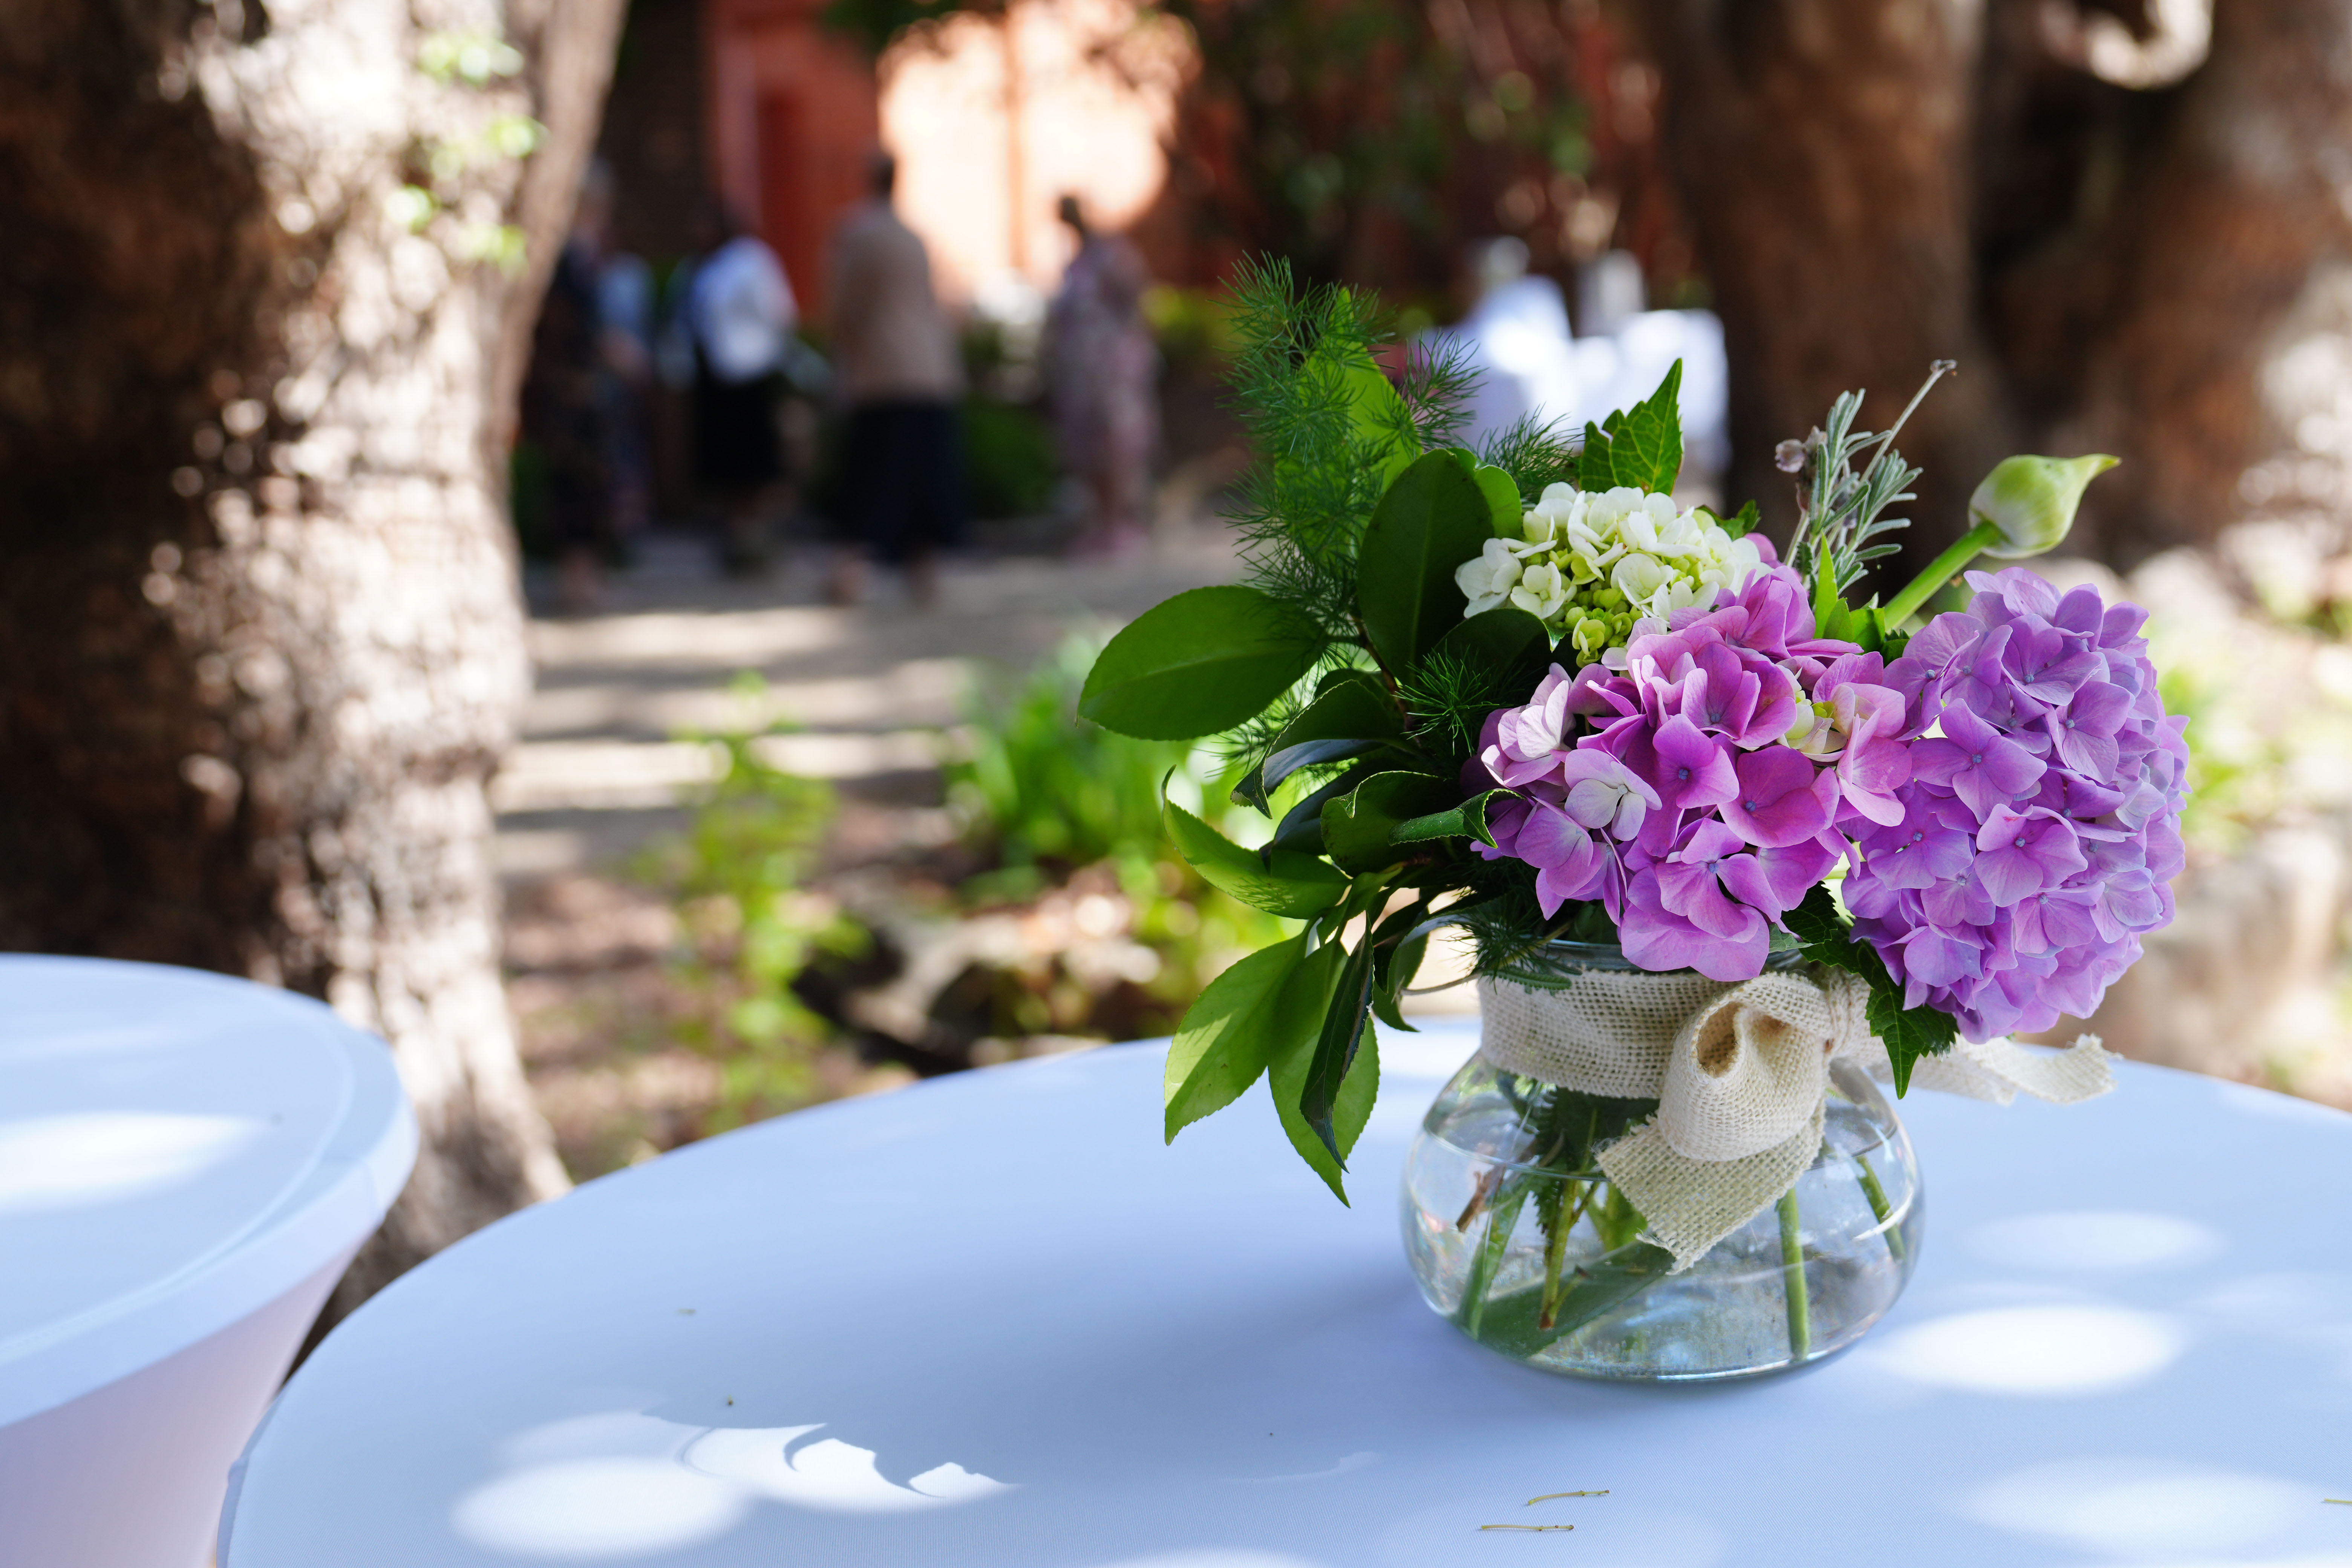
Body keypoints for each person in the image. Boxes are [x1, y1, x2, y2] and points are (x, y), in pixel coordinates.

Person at [826, 151, 963, 606]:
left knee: (875, 476)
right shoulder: (914, 238)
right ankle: (925, 574)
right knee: (922, 475)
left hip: (882, 371)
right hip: (929, 371)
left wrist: (845, 355)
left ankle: (852, 573)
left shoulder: (860, 235)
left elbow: (847, 306)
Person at [683, 206, 797, 574]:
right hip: (716, 378)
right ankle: (737, 539)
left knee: (754, 464)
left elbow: (777, 312)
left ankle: (755, 539)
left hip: (750, 375)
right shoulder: (702, 267)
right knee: (726, 464)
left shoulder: (751, 261)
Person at [1045, 194, 1158, 557]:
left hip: (1113, 370)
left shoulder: (1111, 254)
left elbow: (1137, 299)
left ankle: (1120, 526)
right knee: (1087, 449)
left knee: (1116, 448)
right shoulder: (1074, 264)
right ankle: (1101, 526)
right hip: (1081, 375)